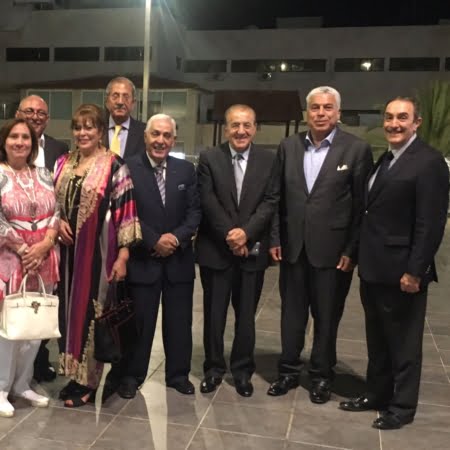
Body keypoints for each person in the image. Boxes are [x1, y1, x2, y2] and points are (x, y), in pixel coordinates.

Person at [339, 97, 449, 430]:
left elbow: (430, 224)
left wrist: (415, 270)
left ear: (417, 123)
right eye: (389, 117)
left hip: (403, 271)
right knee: (378, 340)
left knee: (404, 344)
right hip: (374, 268)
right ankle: (377, 394)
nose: (394, 124)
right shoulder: (386, 159)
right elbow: (369, 212)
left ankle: (402, 407)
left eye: (402, 117)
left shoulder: (428, 162)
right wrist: (354, 252)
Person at [267, 86, 373, 403]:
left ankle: (321, 375)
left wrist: (351, 250)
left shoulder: (356, 149)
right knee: (291, 316)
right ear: (307, 113)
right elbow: (276, 197)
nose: (321, 113)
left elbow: (362, 207)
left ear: (338, 113)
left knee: (327, 318)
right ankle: (288, 371)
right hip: (293, 248)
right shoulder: (288, 146)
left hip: (333, 253)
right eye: (315, 107)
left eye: (328, 108)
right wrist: (275, 237)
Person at [54, 104, 141, 407]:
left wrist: (123, 256)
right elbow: (52, 203)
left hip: (98, 255)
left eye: (89, 127)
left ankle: (89, 382)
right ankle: (73, 375)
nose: (83, 133)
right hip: (65, 255)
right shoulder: (63, 162)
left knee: (93, 315)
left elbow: (127, 211)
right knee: (67, 314)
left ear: (101, 131)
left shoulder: (115, 165)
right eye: (78, 127)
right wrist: (57, 222)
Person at [196, 104, 278, 397]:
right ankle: (213, 369)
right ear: (226, 128)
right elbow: (207, 200)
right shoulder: (209, 158)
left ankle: (242, 371)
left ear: (255, 128)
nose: (241, 131)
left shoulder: (269, 160)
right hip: (216, 250)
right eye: (235, 125)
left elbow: (271, 201)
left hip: (252, 252)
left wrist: (246, 234)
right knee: (214, 316)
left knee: (246, 318)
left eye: (247, 125)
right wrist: (232, 236)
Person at [120, 113, 201, 399]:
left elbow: (195, 212)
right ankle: (132, 376)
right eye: (155, 134)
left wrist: (175, 238)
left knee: (179, 323)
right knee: (140, 323)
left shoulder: (186, 170)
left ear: (174, 140)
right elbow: (127, 212)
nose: (161, 140)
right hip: (144, 259)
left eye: (167, 135)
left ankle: (178, 375)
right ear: (145, 137)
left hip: (179, 260)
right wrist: (154, 240)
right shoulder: (129, 168)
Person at [0, 118, 60, 417]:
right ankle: (1, 388)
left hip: (44, 259)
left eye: (26, 137)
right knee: (8, 326)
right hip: (11, 260)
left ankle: (23, 383)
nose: (20, 142)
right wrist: (25, 250)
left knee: (35, 326)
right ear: (4, 141)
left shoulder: (44, 174)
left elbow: (56, 212)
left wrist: (46, 243)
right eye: (14, 136)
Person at [16, 94, 68, 382]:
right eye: (29, 111)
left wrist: (50, 238)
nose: (35, 116)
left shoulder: (60, 149)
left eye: (41, 113)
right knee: (12, 307)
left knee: (41, 305)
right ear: (18, 114)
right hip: (13, 247)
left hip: (48, 244)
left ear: (47, 119)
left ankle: (36, 363)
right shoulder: (6, 146)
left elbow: (61, 197)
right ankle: (7, 376)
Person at [104, 76, 146, 160]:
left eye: (126, 97)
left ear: (133, 103)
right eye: (115, 96)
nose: (120, 102)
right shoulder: (96, 130)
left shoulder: (145, 132)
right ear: (107, 102)